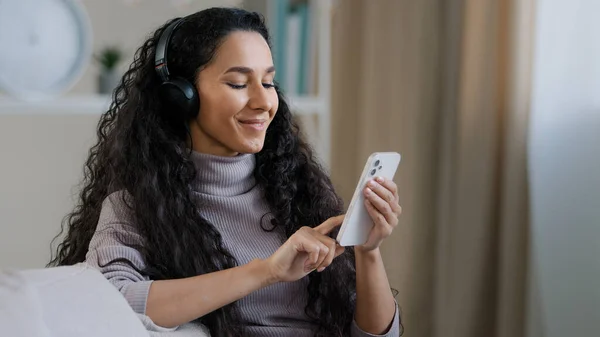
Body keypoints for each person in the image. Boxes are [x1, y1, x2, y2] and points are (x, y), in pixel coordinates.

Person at [49, 7, 402, 337]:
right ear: (181, 96)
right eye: (237, 83)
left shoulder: (297, 192)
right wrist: (267, 271)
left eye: (267, 83)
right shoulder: (136, 207)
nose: (264, 102)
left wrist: (368, 253)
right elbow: (108, 302)